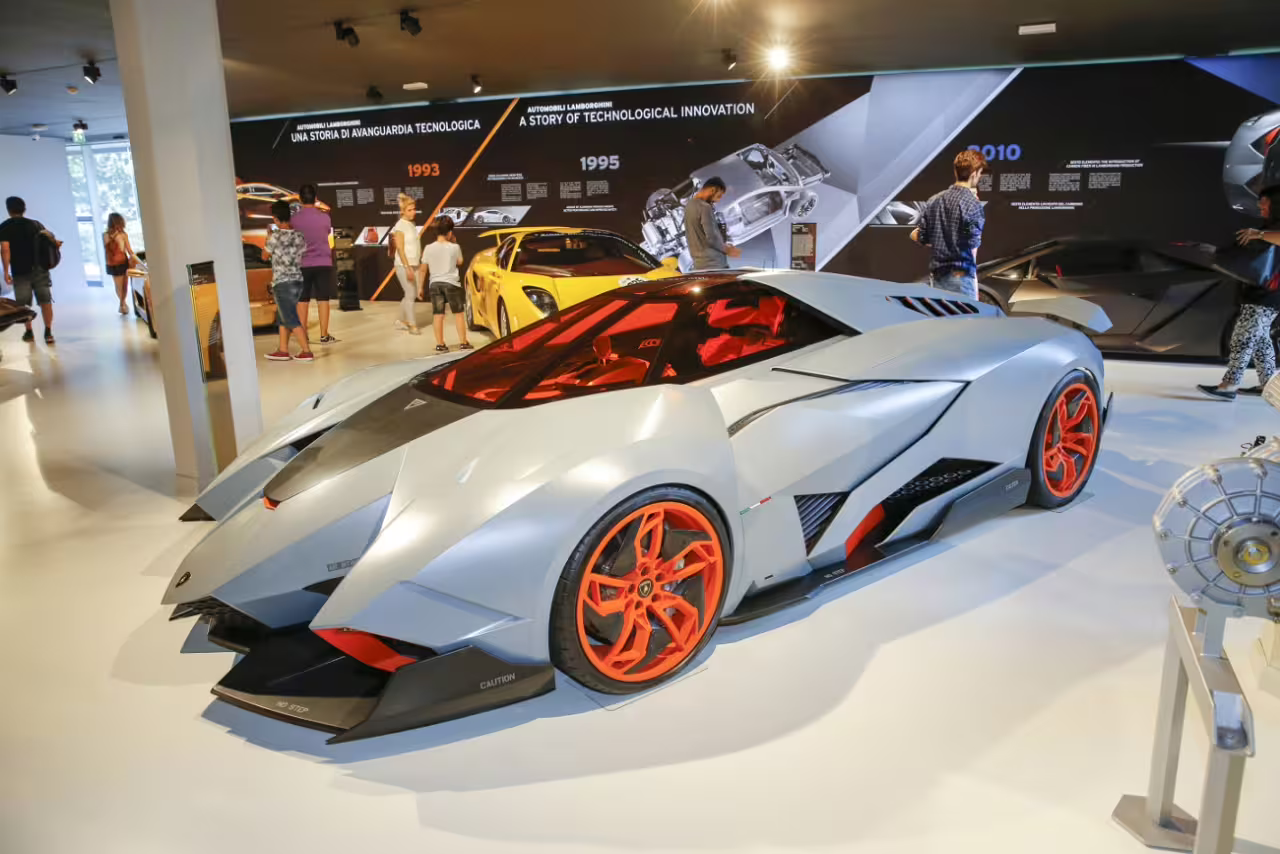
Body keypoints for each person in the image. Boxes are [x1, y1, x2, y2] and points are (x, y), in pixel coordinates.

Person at [1197, 187, 1280, 400]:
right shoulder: (1269, 226)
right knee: (1260, 340)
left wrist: (1259, 234)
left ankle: (1229, 385)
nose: (1260, 206)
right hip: (1263, 292)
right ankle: (1268, 384)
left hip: (1268, 294)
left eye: (1264, 202)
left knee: (1242, 338)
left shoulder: (1271, 229)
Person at [911, 149, 988, 299]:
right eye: (980, 174)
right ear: (974, 174)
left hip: (937, 279)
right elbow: (971, 244)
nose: (979, 178)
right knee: (965, 322)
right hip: (962, 280)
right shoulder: (973, 205)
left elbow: (922, 237)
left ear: (955, 171)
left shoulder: (934, 200)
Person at [0, 196, 58, 344]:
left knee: (24, 304)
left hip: (20, 271)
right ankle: (48, 332)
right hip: (40, 269)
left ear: (9, 210)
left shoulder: (5, 226)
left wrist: (6, 272)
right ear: (24, 208)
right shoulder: (36, 224)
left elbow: (5, 250)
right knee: (45, 301)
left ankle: (29, 332)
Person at [262, 200, 313, 362]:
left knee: (290, 318)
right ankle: (283, 350)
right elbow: (303, 252)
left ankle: (306, 351)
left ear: (276, 219)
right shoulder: (299, 236)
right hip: (297, 281)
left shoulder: (275, 237)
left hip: (282, 282)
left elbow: (264, 256)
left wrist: (269, 237)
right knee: (283, 316)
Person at [292, 184, 338, 344]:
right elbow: (326, 233)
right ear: (316, 198)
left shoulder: (295, 219)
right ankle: (324, 335)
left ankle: (303, 335)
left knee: (303, 300)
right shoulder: (325, 217)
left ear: (300, 198)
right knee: (323, 299)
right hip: (323, 262)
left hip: (302, 263)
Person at [419, 215, 471, 353]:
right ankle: (463, 342)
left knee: (438, 315)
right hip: (452, 283)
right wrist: (454, 242)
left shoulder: (428, 248)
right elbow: (460, 262)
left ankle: (441, 344)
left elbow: (423, 269)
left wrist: (419, 286)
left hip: (435, 284)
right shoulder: (454, 247)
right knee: (458, 313)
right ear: (449, 233)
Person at [683, 177, 742, 271]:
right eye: (718, 196)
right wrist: (728, 250)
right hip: (713, 264)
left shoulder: (690, 205)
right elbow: (712, 237)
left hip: (700, 264)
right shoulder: (704, 207)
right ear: (712, 190)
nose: (718, 200)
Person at [391, 193, 423, 335]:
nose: (413, 212)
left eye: (414, 209)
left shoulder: (411, 224)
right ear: (403, 211)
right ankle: (412, 325)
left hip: (414, 264)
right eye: (410, 210)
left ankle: (401, 321)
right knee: (410, 294)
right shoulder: (400, 226)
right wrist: (407, 267)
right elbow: (400, 249)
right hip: (403, 265)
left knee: (411, 294)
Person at [103, 212, 138, 316]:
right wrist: (136, 259)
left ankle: (123, 304)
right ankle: (122, 304)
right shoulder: (123, 235)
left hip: (110, 263)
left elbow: (106, 249)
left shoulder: (105, 235)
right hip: (122, 262)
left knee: (117, 285)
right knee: (124, 285)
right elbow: (129, 250)